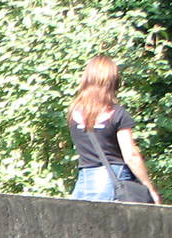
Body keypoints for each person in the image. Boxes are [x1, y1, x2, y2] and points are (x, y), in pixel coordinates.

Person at [67, 55, 161, 203]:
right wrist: (149, 187)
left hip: (84, 182)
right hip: (112, 181)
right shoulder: (117, 114)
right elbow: (130, 155)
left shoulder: (75, 114)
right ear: (113, 82)